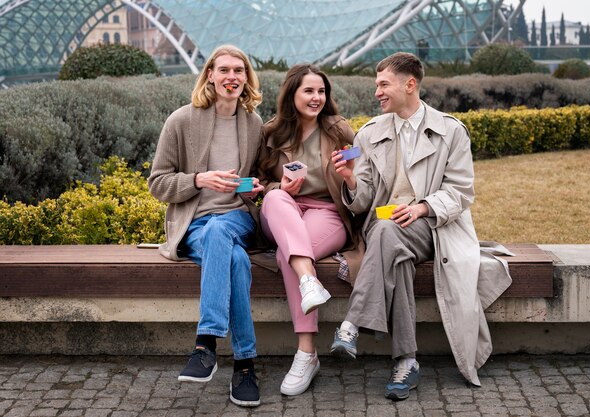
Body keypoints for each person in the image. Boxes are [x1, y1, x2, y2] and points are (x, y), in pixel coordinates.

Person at [330, 52, 512, 400]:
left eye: (383, 85)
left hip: (433, 226)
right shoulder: (368, 134)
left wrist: (423, 208)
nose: (377, 93)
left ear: (409, 84)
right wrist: (352, 181)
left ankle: (352, 323)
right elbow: (365, 199)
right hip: (385, 225)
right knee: (391, 247)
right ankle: (406, 362)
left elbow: (461, 192)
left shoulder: (451, 131)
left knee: (388, 235)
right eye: (376, 85)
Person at [148, 44, 265, 407]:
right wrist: (200, 180)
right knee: (236, 261)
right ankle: (245, 365)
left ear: (246, 79)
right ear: (210, 75)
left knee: (222, 231)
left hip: (238, 219)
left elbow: (259, 179)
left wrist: (259, 188)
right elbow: (158, 183)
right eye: (224, 70)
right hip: (196, 224)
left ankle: (206, 344)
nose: (232, 77)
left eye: (239, 71)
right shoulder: (181, 120)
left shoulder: (254, 124)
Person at [258, 64, 361, 396]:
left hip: (327, 213)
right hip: (283, 209)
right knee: (274, 199)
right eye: (309, 91)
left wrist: (349, 175)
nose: (317, 98)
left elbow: (366, 172)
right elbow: (258, 184)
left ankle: (306, 353)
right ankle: (308, 282)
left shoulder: (339, 130)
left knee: (287, 254)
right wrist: (279, 186)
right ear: (292, 94)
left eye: (321, 91)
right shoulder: (271, 132)